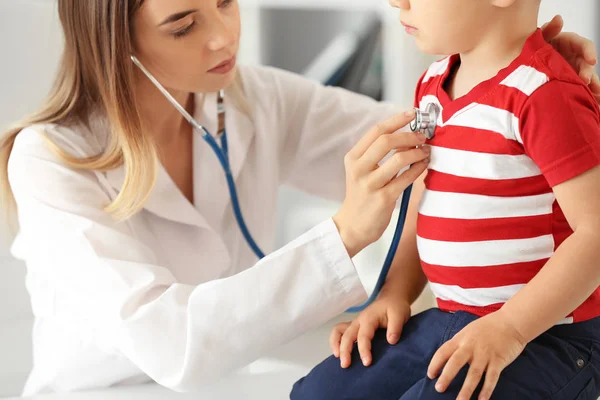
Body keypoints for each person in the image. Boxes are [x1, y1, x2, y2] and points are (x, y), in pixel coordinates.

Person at [0, 0, 596, 396]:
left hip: (231, 381)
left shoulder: (253, 98)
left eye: (226, 0)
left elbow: (462, 150)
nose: (223, 37)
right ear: (112, 40)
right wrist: (348, 236)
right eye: (183, 24)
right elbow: (169, 343)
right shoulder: (48, 159)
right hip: (105, 391)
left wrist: (530, 79)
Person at [291, 1, 600, 399]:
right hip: (455, 319)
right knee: (321, 393)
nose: (396, 2)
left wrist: (510, 329)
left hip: (550, 337)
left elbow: (595, 234)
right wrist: (395, 293)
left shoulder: (544, 94)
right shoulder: (432, 85)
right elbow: (424, 196)